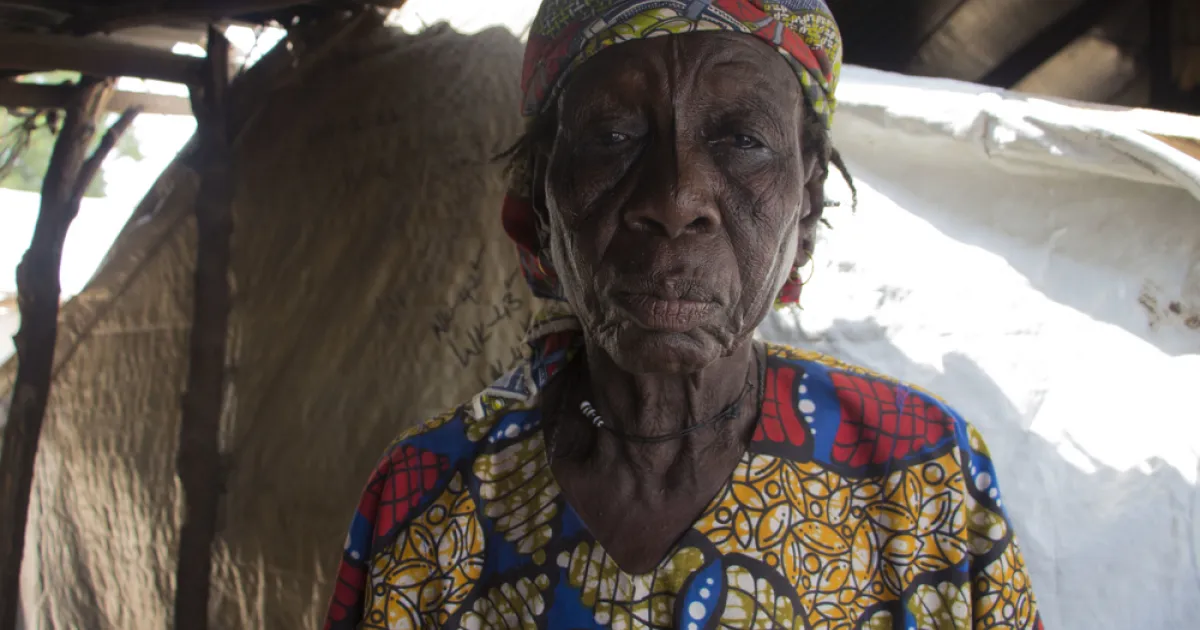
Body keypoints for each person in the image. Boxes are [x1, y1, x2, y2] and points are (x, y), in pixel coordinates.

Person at [323, 1, 1044, 628]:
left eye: (742, 140)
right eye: (612, 136)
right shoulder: (427, 495)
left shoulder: (924, 479)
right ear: (540, 199)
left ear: (807, 205)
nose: (675, 200)